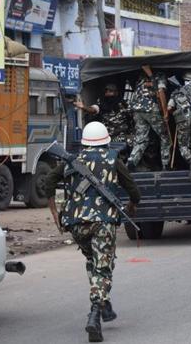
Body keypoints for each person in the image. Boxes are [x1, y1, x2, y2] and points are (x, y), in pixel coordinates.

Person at [45, 122, 140, 342]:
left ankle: (104, 305)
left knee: (94, 263)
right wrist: (133, 206)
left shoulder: (74, 160)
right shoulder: (112, 158)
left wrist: (53, 211)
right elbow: (133, 189)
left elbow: (49, 180)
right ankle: (95, 315)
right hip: (103, 222)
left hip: (76, 224)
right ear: (106, 140)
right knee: (103, 267)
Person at [127, 70, 171, 171]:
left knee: (141, 139)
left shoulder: (140, 78)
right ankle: (166, 165)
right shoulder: (160, 75)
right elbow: (161, 93)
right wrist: (165, 113)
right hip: (151, 109)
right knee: (165, 137)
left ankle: (132, 161)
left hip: (137, 110)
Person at [75, 83, 134, 147]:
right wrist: (83, 106)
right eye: (106, 91)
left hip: (121, 136)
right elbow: (93, 109)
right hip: (105, 138)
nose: (108, 93)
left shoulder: (124, 104)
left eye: (110, 91)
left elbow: (132, 117)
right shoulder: (102, 103)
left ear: (116, 93)